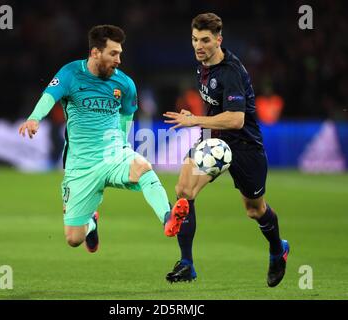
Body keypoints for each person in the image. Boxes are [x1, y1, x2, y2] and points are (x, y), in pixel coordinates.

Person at [19, 25, 189, 254]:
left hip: (113, 154)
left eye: (120, 53)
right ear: (95, 53)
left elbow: (127, 113)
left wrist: (120, 142)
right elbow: (49, 96)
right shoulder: (70, 73)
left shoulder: (125, 83)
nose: (119, 59)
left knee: (143, 167)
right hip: (81, 165)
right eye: (113, 54)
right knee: (73, 238)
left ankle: (168, 218)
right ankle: (90, 224)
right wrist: (34, 118)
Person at [163, 13, 290, 287]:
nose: (199, 45)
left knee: (255, 210)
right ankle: (187, 264)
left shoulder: (231, 71)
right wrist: (197, 120)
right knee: (184, 191)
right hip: (213, 140)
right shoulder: (203, 66)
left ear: (219, 39)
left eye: (205, 40)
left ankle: (278, 249)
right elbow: (217, 109)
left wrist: (193, 119)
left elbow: (236, 119)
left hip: (245, 145)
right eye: (195, 39)